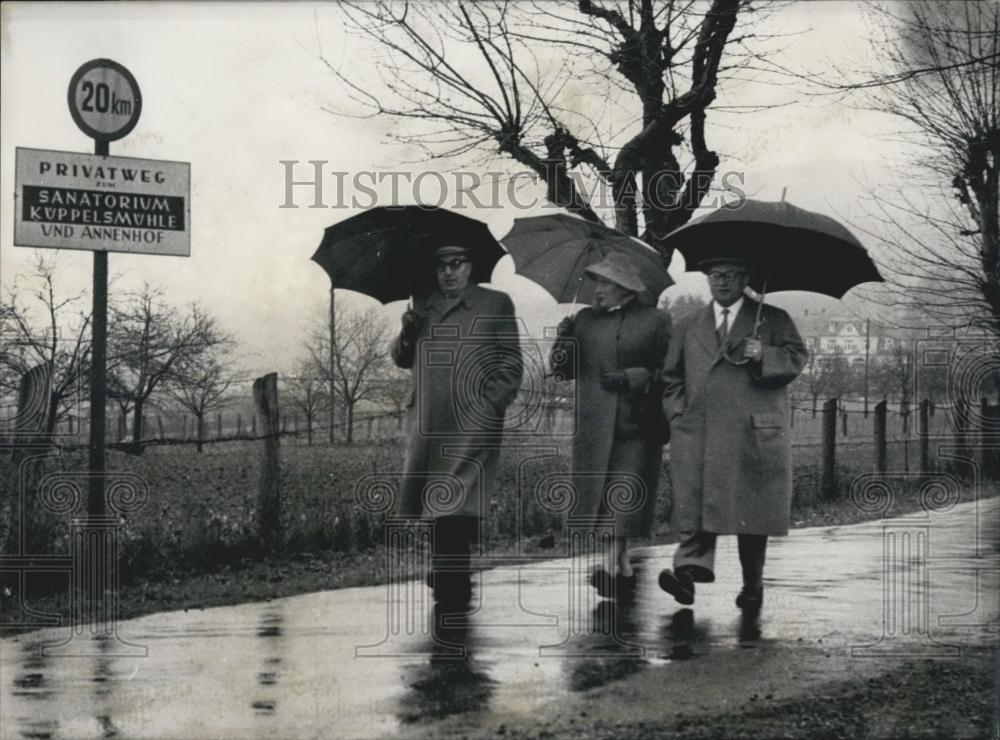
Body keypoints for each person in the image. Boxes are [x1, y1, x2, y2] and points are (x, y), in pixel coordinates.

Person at [658, 255, 807, 612]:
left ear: (745, 278)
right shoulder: (689, 324)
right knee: (695, 503)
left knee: (751, 513)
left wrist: (766, 354)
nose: (721, 282)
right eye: (714, 275)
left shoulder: (772, 319)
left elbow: (798, 357)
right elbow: (671, 378)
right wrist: (678, 413)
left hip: (750, 430)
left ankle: (752, 585)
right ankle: (688, 575)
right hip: (699, 432)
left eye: (730, 275)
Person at [392, 245, 522, 611]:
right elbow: (402, 358)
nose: (448, 272)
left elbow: (510, 365)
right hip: (429, 421)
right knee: (436, 500)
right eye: (440, 266)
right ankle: (448, 570)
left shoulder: (495, 304)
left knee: (457, 500)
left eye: (456, 264)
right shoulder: (423, 305)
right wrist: (407, 330)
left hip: (472, 421)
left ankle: (452, 578)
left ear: (471, 266)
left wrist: (489, 406)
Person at [550, 252, 672, 600]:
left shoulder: (656, 321)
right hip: (593, 426)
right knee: (602, 496)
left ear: (625, 289)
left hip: (637, 424)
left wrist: (634, 377)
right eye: (597, 281)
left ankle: (608, 564)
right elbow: (562, 370)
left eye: (605, 283)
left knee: (624, 495)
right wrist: (564, 339)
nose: (597, 289)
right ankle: (620, 564)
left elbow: (670, 372)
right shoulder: (584, 320)